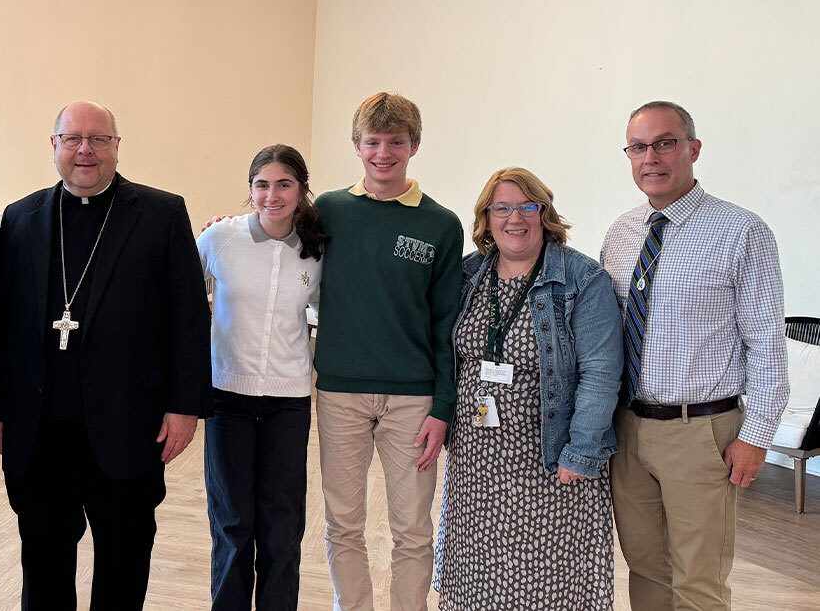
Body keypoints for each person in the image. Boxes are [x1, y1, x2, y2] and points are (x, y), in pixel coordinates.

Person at [0, 100, 211, 610]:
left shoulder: (160, 213)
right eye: (73, 139)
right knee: (44, 565)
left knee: (123, 563)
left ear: (116, 146)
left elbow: (189, 318)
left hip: (128, 422)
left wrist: (185, 406)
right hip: (39, 430)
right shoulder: (21, 218)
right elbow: (0, 326)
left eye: (98, 139)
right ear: (54, 145)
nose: (85, 150)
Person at [601, 100, 788, 611]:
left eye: (665, 143)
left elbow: (766, 346)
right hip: (627, 428)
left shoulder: (741, 231)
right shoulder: (621, 233)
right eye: (638, 147)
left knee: (698, 582)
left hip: (701, 433)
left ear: (694, 149)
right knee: (645, 569)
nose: (651, 157)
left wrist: (756, 437)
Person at [434, 166, 622, 610]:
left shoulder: (582, 279)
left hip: (550, 464)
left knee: (545, 583)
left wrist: (581, 451)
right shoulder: (469, 274)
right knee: (478, 579)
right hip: (476, 466)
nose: (514, 218)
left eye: (527, 206)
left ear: (545, 213)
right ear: (486, 217)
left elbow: (601, 373)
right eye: (502, 207)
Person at [311, 91, 463, 611]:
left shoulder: (440, 224)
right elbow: (278, 243)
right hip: (340, 394)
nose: (383, 153)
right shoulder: (327, 211)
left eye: (395, 142)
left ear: (414, 145)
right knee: (343, 523)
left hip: (412, 402)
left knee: (413, 530)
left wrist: (443, 406)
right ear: (356, 145)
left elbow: (447, 325)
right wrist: (229, 229)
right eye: (372, 141)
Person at [196, 144, 327, 611]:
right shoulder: (220, 238)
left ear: (302, 189)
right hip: (226, 397)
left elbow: (329, 309)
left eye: (284, 184)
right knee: (232, 521)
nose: (272, 195)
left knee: (282, 523)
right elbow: (180, 295)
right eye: (262, 185)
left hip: (288, 402)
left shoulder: (316, 250)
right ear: (250, 190)